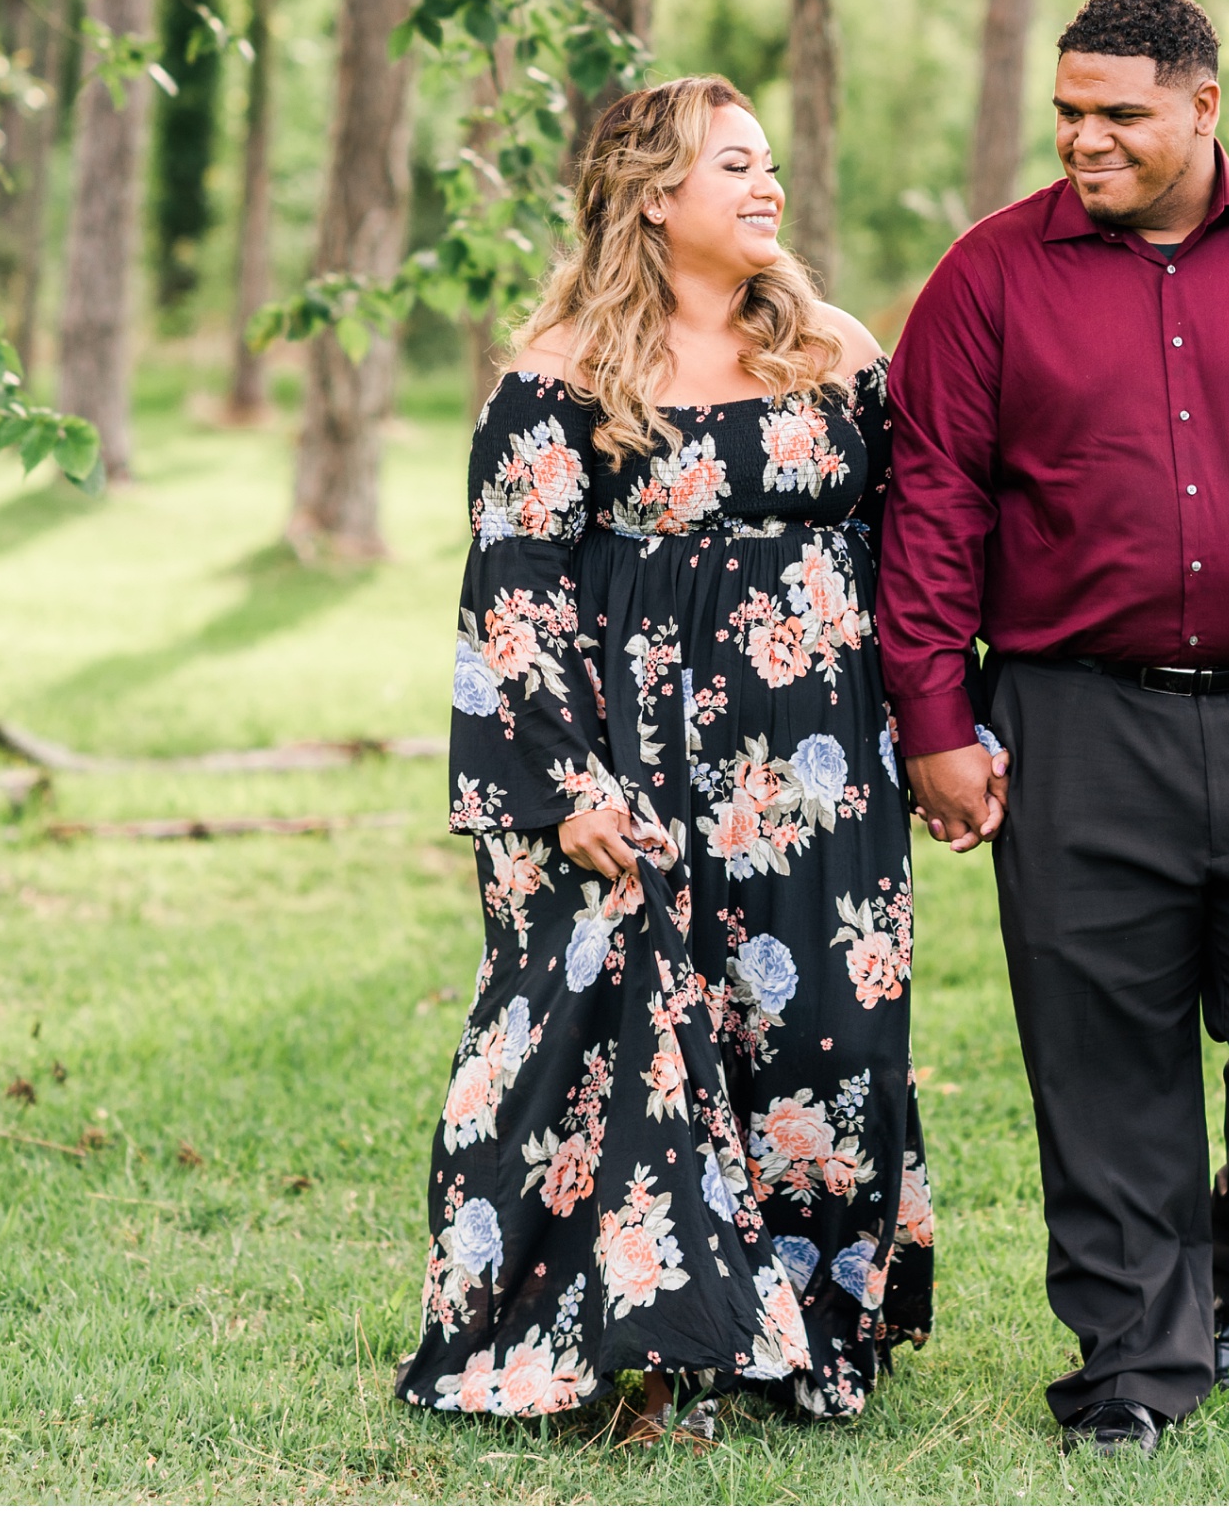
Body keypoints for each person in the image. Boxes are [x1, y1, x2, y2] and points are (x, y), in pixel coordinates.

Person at [880, 0, 1229, 1458]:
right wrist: (936, 712)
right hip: (1077, 721)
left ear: (1205, 106)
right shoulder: (988, 279)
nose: (1086, 137)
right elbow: (933, 503)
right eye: (1068, 110)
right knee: (1101, 1044)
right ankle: (1138, 1358)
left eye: (1119, 112)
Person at [399, 76, 932, 1443]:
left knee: (825, 1032)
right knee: (637, 1047)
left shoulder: (836, 348)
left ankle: (808, 1326)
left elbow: (918, 551)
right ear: (653, 195)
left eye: (770, 163)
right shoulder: (564, 368)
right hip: (639, 772)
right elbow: (511, 592)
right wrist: (566, 784)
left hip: (822, 780)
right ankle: (641, 1341)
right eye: (735, 165)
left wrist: (945, 722)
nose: (768, 187)